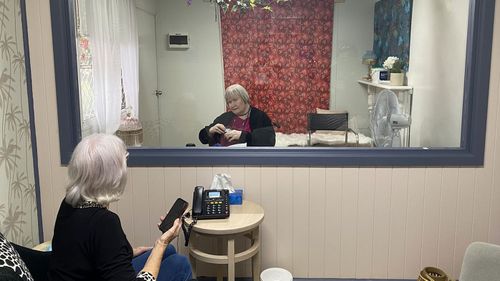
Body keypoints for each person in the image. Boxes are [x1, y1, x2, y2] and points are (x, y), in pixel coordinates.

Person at [48, 134, 192, 281]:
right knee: (180, 263)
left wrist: (129, 252)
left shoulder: (68, 204)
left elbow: (89, 251)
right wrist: (161, 243)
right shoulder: (104, 221)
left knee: (169, 251)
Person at [199, 84, 275, 146]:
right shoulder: (225, 117)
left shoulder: (259, 117)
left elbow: (269, 141)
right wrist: (210, 131)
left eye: (235, 100)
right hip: (223, 159)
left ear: (244, 98)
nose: (232, 105)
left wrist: (244, 136)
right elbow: (202, 138)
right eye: (229, 102)